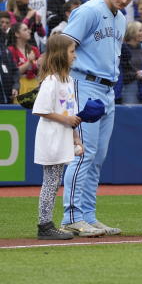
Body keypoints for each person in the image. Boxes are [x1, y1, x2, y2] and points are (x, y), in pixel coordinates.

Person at [61, 0, 141, 237]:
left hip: (107, 89)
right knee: (83, 153)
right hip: (84, 83)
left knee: (98, 157)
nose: (125, 0)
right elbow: (64, 46)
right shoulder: (88, 11)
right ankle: (71, 217)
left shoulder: (121, 19)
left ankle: (88, 216)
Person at [32, 34, 83, 240]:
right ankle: (44, 225)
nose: (75, 56)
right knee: (51, 183)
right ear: (61, 54)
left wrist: (76, 138)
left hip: (63, 137)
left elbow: (70, 112)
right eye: (72, 52)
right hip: (51, 138)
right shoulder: (51, 81)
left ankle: (47, 224)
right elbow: (41, 109)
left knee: (53, 182)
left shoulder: (68, 80)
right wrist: (67, 122)